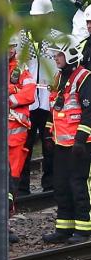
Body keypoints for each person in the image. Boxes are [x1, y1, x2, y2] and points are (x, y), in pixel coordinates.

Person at [42, 36, 91, 244]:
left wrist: (80, 138)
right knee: (60, 185)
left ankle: (83, 228)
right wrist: (47, 133)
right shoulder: (58, 78)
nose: (55, 58)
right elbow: (54, 108)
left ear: (70, 54)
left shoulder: (85, 78)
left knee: (77, 184)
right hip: (62, 143)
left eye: (59, 54)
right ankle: (64, 227)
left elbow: (89, 111)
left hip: (80, 145)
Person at [17, 0, 62, 195]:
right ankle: (22, 186)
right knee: (24, 145)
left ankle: (50, 184)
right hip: (29, 101)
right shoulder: (23, 38)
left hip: (49, 101)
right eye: (35, 17)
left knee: (49, 144)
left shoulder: (59, 39)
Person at [8, 35, 37, 194]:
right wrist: (13, 89)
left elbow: (29, 93)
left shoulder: (21, 67)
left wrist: (10, 98)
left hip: (16, 131)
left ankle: (10, 202)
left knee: (14, 172)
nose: (10, 50)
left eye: (12, 46)